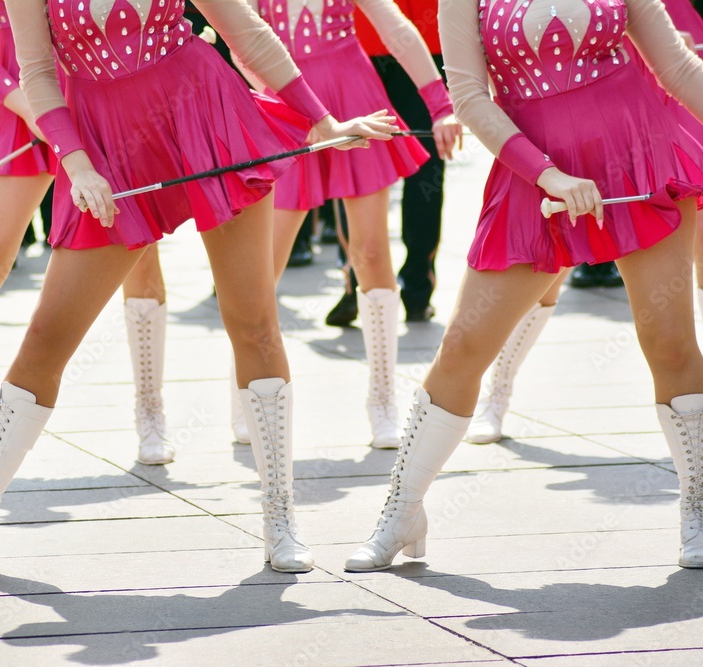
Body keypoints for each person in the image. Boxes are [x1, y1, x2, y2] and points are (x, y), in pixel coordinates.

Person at [0, 0, 398, 579]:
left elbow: (244, 31)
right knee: (46, 339)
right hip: (103, 145)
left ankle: (281, 520)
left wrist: (321, 120)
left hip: (205, 113)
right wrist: (75, 162)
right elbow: (38, 69)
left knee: (253, 321)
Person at [346, 0, 703, 572]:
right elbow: (470, 97)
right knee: (463, 345)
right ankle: (402, 508)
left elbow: (679, 69)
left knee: (670, 343)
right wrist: (548, 174)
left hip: (642, 157)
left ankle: (699, 506)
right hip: (532, 178)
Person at [0, 0, 175, 469]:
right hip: (24, 112)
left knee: (140, 260)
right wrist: (26, 105)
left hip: (102, 110)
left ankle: (151, 413)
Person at [465, 0, 703, 446]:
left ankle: (697, 497)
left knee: (672, 332)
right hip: (541, 150)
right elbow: (468, 92)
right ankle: (497, 394)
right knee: (538, 282)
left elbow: (676, 62)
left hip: (642, 123)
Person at [238, 0, 461, 450]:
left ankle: (383, 403)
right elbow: (240, 44)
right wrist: (274, 98)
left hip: (353, 93)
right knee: (264, 268)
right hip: (287, 105)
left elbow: (395, 29)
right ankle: (247, 394)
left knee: (372, 254)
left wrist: (440, 106)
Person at [355, 0, 449, 323]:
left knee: (364, 167)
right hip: (383, 41)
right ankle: (411, 285)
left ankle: (368, 282)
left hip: (389, 40)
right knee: (365, 167)